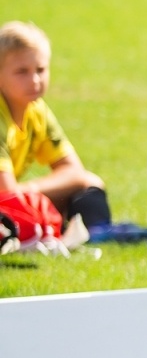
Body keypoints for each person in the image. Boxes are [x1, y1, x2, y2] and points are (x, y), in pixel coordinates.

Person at [0, 21, 112, 232]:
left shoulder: (36, 110)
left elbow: (74, 171)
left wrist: (31, 189)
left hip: (10, 199)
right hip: (5, 200)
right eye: (21, 71)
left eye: (40, 70)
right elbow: (7, 193)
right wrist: (28, 194)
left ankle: (97, 233)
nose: (34, 80)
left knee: (90, 183)